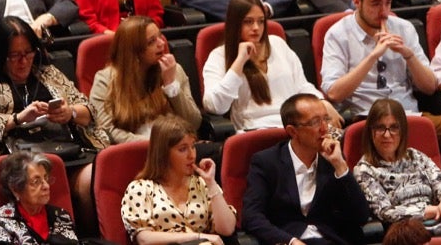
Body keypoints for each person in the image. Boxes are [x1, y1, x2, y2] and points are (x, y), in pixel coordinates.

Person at [0, 18, 103, 205]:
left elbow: (90, 109)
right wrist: (16, 119)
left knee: (97, 176)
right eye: (14, 55)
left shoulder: (48, 74)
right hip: (16, 166)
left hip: (68, 154)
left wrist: (70, 113)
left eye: (28, 53)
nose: (24, 61)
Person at [242, 93, 371, 245]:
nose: (325, 128)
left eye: (326, 119)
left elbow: (361, 215)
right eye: (315, 122)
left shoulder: (332, 158)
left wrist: (340, 166)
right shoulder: (266, 162)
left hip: (331, 239)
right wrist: (289, 241)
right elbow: (252, 216)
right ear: (292, 131)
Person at [203, 0, 331, 131]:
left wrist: (322, 102)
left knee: (340, 139)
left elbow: (301, 86)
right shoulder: (219, 56)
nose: (256, 28)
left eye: (261, 21)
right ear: (235, 24)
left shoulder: (278, 44)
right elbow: (215, 106)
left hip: (295, 127)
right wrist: (239, 61)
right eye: (248, 21)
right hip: (256, 130)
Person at [321, 0, 436, 118]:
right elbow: (334, 93)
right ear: (357, 1)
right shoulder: (338, 34)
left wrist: (409, 56)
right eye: (375, 4)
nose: (384, 11)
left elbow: (430, 88)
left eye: (388, 3)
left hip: (410, 116)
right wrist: (372, 57)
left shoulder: (404, 28)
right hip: (368, 121)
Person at [353, 98, 441, 232]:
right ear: (371, 132)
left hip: (437, 218)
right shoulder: (364, 169)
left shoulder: (415, 156)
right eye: (380, 128)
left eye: (394, 127)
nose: (387, 135)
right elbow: (386, 212)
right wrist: (436, 210)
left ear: (403, 131)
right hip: (404, 228)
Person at [121, 115, 237, 244]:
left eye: (193, 146)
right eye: (183, 149)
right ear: (163, 153)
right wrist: (197, 236)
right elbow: (144, 239)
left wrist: (211, 183)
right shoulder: (140, 188)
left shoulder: (201, 184)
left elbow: (227, 229)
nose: (192, 155)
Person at [88, 16, 201, 144]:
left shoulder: (172, 70)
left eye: (160, 36)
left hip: (176, 149)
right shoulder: (106, 81)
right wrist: (155, 144)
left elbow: (194, 123)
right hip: (132, 153)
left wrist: (171, 86)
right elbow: (107, 131)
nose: (162, 43)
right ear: (133, 51)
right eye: (151, 41)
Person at [0, 151, 78, 245]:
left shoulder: (61, 216)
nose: (46, 186)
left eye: (46, 178)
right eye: (36, 181)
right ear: (16, 189)